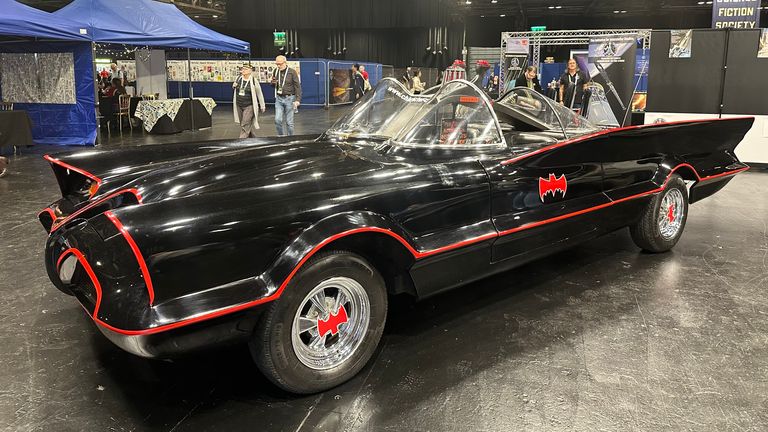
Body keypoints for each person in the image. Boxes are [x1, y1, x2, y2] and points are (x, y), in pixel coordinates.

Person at [232, 63, 266, 139]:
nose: (243, 71)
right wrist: (233, 86)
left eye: (245, 69)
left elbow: (259, 93)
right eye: (242, 69)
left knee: (245, 123)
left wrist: (262, 105)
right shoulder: (238, 78)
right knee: (243, 123)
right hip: (239, 105)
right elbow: (235, 88)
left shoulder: (254, 81)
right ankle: (253, 139)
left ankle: (241, 141)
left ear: (250, 71)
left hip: (249, 106)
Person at [271, 55, 301, 136]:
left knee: (289, 122)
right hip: (279, 98)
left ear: (285, 62)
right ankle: (281, 137)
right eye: (277, 64)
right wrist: (272, 83)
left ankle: (290, 138)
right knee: (277, 120)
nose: (278, 66)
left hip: (290, 98)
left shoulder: (292, 72)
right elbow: (273, 84)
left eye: (280, 64)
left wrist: (297, 100)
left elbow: (297, 86)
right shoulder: (275, 71)